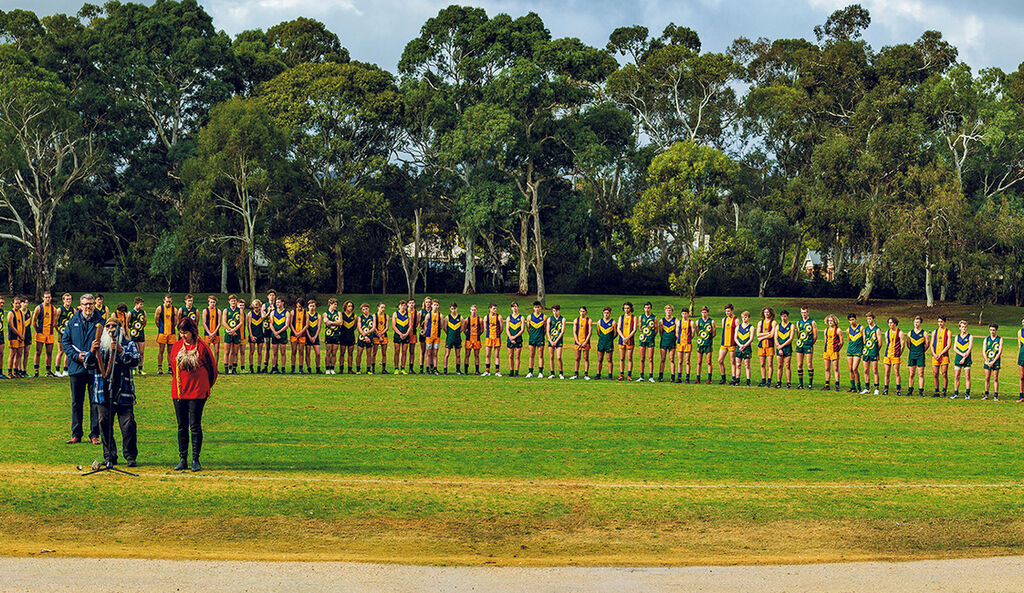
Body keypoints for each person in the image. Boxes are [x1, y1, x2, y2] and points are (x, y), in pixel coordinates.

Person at [89, 316, 140, 468]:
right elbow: (88, 364)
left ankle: (130, 456)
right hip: (103, 393)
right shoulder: (100, 345)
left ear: (120, 329)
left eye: (114, 326)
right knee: (104, 424)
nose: (110, 329)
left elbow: (135, 361)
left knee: (128, 425)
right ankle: (110, 456)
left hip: (123, 392)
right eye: (108, 326)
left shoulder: (128, 344)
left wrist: (121, 351)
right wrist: (92, 352)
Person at [169, 316, 217, 472]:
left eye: (186, 332)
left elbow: (213, 369)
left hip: (197, 393)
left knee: (194, 426)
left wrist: (205, 386)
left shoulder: (202, 347)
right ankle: (182, 458)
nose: (183, 335)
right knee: (182, 426)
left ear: (193, 331)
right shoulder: (176, 347)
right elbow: (172, 366)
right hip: (180, 392)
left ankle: (195, 459)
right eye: (181, 332)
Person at [60, 293, 103, 445]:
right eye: (85, 304)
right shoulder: (73, 321)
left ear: (94, 304)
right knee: (76, 402)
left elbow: (103, 344)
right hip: (76, 367)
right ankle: (76, 434)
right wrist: (76, 357)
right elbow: (65, 342)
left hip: (94, 369)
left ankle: (94, 434)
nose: (88, 307)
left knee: (95, 402)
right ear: (81, 305)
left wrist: (92, 356)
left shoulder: (100, 322)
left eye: (90, 304)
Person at [31, 290, 58, 377]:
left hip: (50, 334)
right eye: (46, 297)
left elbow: (55, 322)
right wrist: (37, 331)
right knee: (38, 352)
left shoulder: (53, 308)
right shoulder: (39, 308)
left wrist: (52, 328)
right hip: (41, 333)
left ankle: (48, 371)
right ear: (43, 298)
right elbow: (34, 321)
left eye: (49, 297)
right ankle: (36, 371)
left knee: (49, 352)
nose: (47, 299)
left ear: (51, 298)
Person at [794, 307, 817, 389]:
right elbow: (798, 334)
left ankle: (810, 384)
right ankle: (801, 384)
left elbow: (815, 336)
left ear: (808, 312)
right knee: (799, 364)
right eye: (802, 312)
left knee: (809, 364)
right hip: (800, 345)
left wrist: (810, 343)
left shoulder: (812, 322)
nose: (804, 314)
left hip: (808, 345)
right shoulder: (798, 322)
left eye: (805, 312)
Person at [155, 295, 178, 375]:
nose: (168, 303)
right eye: (167, 301)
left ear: (171, 301)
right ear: (164, 300)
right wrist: (161, 328)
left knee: (170, 351)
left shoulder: (174, 309)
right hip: (162, 332)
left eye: (169, 301)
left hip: (171, 333)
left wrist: (171, 328)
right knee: (161, 350)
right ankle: (160, 368)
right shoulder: (159, 309)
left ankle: (170, 368)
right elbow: (156, 321)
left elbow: (175, 322)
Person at [882, 317, 905, 396]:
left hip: (896, 355)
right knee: (886, 373)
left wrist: (899, 354)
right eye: (889, 323)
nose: (890, 324)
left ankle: (898, 390)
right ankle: (886, 389)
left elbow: (902, 345)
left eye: (891, 323)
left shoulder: (900, 333)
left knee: (896, 373)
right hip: (887, 355)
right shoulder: (887, 332)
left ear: (895, 323)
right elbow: (887, 343)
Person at [951, 320, 973, 399]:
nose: (964, 328)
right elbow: (954, 348)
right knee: (957, 376)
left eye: (965, 327)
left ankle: (967, 394)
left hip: (967, 358)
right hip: (958, 358)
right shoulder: (957, 337)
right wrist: (961, 355)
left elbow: (969, 348)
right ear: (960, 328)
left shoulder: (970, 337)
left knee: (967, 376)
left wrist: (964, 357)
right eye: (962, 327)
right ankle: (956, 393)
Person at [54, 293, 75, 377]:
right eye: (67, 299)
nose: (68, 301)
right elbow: (55, 323)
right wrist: (60, 331)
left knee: (68, 352)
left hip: (70, 334)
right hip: (62, 333)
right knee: (61, 351)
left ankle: (65, 370)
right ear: (63, 300)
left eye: (69, 299)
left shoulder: (73, 310)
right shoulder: (60, 310)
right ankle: (57, 370)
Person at [907, 315, 928, 397]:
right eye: (915, 322)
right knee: (911, 374)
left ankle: (921, 391)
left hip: (920, 355)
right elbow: (908, 344)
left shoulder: (924, 333)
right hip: (912, 354)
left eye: (918, 322)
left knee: (921, 374)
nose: (916, 323)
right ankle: (910, 390)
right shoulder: (910, 333)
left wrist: (921, 351)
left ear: (921, 323)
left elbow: (927, 344)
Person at [931, 315, 951, 397]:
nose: (940, 323)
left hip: (944, 356)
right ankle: (936, 391)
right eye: (939, 322)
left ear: (945, 322)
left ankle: (944, 391)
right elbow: (931, 344)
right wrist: (934, 354)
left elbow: (948, 345)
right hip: (935, 356)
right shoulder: (934, 332)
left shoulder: (948, 332)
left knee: (944, 373)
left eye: (942, 322)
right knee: (935, 374)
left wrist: (940, 354)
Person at [636, 302, 657, 382]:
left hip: (650, 339)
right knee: (642, 358)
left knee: (650, 359)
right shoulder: (641, 317)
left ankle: (651, 376)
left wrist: (651, 336)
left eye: (648, 308)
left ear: (650, 308)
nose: (647, 309)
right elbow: (640, 328)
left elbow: (656, 330)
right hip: (642, 340)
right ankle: (641, 376)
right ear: (644, 308)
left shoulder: (654, 318)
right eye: (645, 308)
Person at [126, 297, 147, 374]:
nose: (142, 306)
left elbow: (145, 322)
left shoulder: (143, 312)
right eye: (140, 304)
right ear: (136, 304)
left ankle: (140, 368)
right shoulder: (130, 313)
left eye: (142, 304)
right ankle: (133, 368)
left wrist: (140, 329)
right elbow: (127, 323)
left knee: (141, 352)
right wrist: (132, 330)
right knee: (134, 352)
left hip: (141, 334)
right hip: (133, 335)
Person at [694, 306, 715, 384]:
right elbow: (697, 332)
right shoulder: (698, 321)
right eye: (702, 312)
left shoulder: (711, 321)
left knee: (709, 361)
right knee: (699, 361)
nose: (704, 314)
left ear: (707, 312)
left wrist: (708, 339)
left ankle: (709, 379)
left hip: (708, 344)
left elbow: (714, 333)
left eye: (705, 312)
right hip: (700, 344)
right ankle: (698, 378)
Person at [822, 314, 843, 391]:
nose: (830, 322)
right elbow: (825, 340)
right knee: (827, 368)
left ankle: (837, 385)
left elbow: (841, 342)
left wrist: (837, 349)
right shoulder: (826, 330)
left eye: (831, 320)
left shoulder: (838, 330)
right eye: (829, 321)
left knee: (835, 368)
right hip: (827, 351)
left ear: (834, 321)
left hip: (834, 351)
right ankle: (827, 385)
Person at [594, 306, 616, 380]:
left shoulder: (613, 322)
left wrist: (610, 339)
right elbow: (598, 333)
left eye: (607, 313)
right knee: (600, 359)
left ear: (610, 313)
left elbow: (615, 334)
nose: (606, 314)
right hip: (601, 343)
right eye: (605, 313)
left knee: (609, 359)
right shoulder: (599, 322)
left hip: (609, 343)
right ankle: (598, 374)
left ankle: (610, 375)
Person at [616, 302, 637, 382]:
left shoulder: (634, 318)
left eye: (628, 308)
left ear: (630, 308)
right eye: (625, 308)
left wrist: (628, 337)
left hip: (630, 340)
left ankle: (629, 375)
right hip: (622, 340)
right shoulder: (621, 318)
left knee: (629, 358)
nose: (626, 310)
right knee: (622, 358)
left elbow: (634, 329)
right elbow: (618, 329)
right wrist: (623, 337)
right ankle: (621, 374)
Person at [719, 304, 738, 385]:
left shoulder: (736, 320)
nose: (727, 313)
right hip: (724, 343)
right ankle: (723, 378)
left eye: (729, 311)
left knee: (732, 361)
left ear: (732, 311)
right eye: (726, 311)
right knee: (720, 360)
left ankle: (734, 378)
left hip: (732, 344)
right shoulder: (724, 320)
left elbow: (738, 332)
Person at [222, 295, 242, 374]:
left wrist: (234, 330)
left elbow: (241, 322)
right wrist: (230, 330)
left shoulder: (239, 310)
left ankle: (234, 369)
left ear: (236, 301)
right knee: (227, 352)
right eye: (232, 301)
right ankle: (226, 369)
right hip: (228, 333)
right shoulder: (226, 310)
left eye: (234, 301)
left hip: (237, 332)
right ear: (229, 302)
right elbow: (224, 322)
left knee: (235, 352)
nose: (233, 302)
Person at [756, 307, 776, 388]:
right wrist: (767, 333)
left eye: (768, 312)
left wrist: (762, 336)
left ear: (771, 313)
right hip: (761, 346)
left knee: (770, 364)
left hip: (770, 345)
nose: (766, 314)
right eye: (765, 312)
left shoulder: (773, 322)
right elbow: (757, 334)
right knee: (762, 364)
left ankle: (769, 380)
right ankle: (763, 380)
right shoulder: (760, 322)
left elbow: (772, 335)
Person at [862, 312, 881, 394]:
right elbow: (864, 340)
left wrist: (876, 350)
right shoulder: (865, 329)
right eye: (867, 319)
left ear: (873, 319)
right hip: (866, 352)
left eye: (870, 319)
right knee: (866, 370)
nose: (869, 320)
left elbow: (880, 342)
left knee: (875, 370)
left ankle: (876, 388)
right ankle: (867, 388)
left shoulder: (877, 329)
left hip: (873, 352)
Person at [268, 297, 289, 374]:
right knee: (274, 352)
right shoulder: (273, 313)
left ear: (282, 303)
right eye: (276, 303)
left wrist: (278, 332)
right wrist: (275, 333)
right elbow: (271, 323)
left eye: (279, 302)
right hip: (274, 335)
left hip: (282, 335)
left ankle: (283, 368)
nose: (277, 304)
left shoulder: (287, 313)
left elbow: (286, 325)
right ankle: (274, 367)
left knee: (283, 352)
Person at [526, 301, 546, 378]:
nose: (537, 309)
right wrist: (532, 335)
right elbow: (528, 328)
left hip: (540, 338)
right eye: (535, 307)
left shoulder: (544, 317)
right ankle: (530, 372)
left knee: (540, 355)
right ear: (533, 308)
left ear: (540, 308)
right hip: (532, 338)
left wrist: (541, 335)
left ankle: (540, 372)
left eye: (538, 307)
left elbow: (545, 328)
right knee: (531, 355)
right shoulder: (529, 317)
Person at [845, 314, 864, 394]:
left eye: (853, 319)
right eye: (850, 320)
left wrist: (863, 349)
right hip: (850, 350)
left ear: (856, 319)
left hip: (858, 351)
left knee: (854, 368)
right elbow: (849, 341)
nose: (851, 321)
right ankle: (853, 387)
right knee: (850, 369)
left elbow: (864, 340)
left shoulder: (861, 328)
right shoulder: (847, 330)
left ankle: (859, 387)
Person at [657, 304, 677, 383]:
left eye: (670, 310)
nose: (668, 311)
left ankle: (672, 377)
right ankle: (660, 376)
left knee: (671, 359)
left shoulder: (676, 320)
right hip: (664, 341)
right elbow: (660, 332)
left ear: (672, 311)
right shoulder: (661, 321)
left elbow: (677, 333)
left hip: (672, 342)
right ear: (665, 311)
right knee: (662, 359)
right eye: (667, 310)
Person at [571, 306, 591, 380]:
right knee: (577, 358)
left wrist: (585, 342)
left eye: (583, 311)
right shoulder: (576, 320)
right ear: (579, 312)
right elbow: (574, 332)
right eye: (581, 311)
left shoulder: (589, 320)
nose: (582, 313)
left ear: (586, 312)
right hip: (578, 342)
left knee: (586, 358)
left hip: (586, 342)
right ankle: (576, 374)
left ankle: (586, 374)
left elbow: (590, 332)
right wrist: (577, 341)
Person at [734, 311, 754, 386]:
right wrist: (740, 345)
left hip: (747, 348)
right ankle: (737, 380)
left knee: (747, 365)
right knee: (738, 365)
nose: (744, 319)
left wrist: (744, 346)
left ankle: (748, 381)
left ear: (748, 318)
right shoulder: (738, 327)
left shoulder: (751, 327)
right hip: (739, 348)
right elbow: (735, 338)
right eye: (742, 317)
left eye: (745, 317)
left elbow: (751, 339)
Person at [982, 323, 1001, 401]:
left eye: (993, 330)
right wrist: (987, 361)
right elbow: (983, 351)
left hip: (995, 361)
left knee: (995, 378)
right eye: (991, 330)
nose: (992, 331)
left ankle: (995, 396)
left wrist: (993, 361)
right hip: (988, 361)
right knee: (987, 378)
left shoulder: (1000, 339)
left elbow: (999, 352)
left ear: (996, 330)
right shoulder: (986, 339)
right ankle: (986, 394)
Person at [482, 304, 502, 377]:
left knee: (496, 355)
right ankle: (487, 371)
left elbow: (501, 328)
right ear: (490, 309)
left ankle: (497, 371)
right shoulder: (486, 317)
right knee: (487, 355)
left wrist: (497, 334)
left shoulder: (499, 317)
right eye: (494, 308)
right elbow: (485, 328)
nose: (495, 310)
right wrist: (489, 334)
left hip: (496, 338)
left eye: (496, 308)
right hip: (489, 338)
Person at [423, 300, 443, 374]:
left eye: (437, 305)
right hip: (429, 336)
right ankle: (427, 368)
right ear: (431, 305)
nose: (436, 306)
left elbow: (441, 326)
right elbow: (425, 324)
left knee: (435, 353)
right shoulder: (428, 315)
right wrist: (426, 332)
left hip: (437, 336)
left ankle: (435, 368)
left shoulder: (440, 315)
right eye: (434, 305)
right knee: (428, 353)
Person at [774, 310, 793, 389]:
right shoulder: (778, 326)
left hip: (787, 348)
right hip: (779, 348)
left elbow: (791, 338)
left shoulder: (791, 326)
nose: (783, 318)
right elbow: (775, 337)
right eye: (782, 316)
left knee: (787, 365)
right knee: (779, 366)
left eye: (785, 316)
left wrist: (781, 346)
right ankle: (779, 382)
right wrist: (778, 346)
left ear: (787, 317)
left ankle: (788, 383)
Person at [391, 300, 411, 375]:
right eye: (402, 305)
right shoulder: (395, 314)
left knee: (404, 352)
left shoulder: (408, 314)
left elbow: (410, 326)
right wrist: (400, 334)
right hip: (397, 335)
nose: (403, 307)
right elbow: (393, 326)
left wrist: (406, 334)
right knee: (397, 351)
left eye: (404, 305)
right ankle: (396, 368)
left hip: (406, 335)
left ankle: (403, 368)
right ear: (399, 306)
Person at [443, 302, 464, 375]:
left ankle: (458, 370)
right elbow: (445, 328)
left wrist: (457, 334)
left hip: (457, 338)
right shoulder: (447, 317)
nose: (453, 310)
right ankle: (445, 369)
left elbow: (462, 328)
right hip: (449, 338)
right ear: (450, 309)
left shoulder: (460, 317)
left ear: (457, 308)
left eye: (455, 308)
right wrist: (450, 334)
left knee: (458, 355)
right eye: (452, 309)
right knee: (447, 354)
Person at [546, 304, 565, 379]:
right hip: (551, 340)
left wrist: (556, 341)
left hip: (558, 340)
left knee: (559, 357)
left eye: (556, 311)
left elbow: (562, 331)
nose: (554, 312)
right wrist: (551, 341)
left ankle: (561, 373)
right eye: (553, 311)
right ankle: (552, 373)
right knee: (551, 357)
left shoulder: (563, 319)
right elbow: (547, 331)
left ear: (559, 311)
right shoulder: (549, 319)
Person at [7, 296, 25, 378]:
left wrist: (23, 335)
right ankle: (9, 372)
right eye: (16, 303)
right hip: (14, 336)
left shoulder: (21, 313)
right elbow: (11, 326)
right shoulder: (11, 313)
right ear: (12, 304)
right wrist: (19, 334)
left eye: (19, 303)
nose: (17, 305)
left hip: (21, 337)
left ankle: (16, 371)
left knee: (19, 353)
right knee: (12, 354)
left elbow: (24, 325)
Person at [288, 298, 307, 374]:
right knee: (294, 351)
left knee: (301, 351)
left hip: (302, 335)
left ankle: (300, 368)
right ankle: (293, 368)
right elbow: (290, 323)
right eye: (298, 306)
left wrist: (300, 332)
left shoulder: (305, 313)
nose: (299, 308)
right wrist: (295, 332)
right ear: (296, 305)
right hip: (294, 334)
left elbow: (307, 324)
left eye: (301, 307)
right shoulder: (292, 312)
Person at [675, 307, 693, 384]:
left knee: (687, 361)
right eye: (683, 314)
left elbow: (693, 334)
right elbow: (676, 332)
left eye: (685, 314)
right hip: (680, 343)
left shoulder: (691, 322)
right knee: (680, 361)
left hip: (687, 344)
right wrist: (679, 339)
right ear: (681, 314)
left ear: (688, 314)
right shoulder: (679, 322)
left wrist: (688, 339)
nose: (684, 315)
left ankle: (687, 377)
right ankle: (679, 377)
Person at [464, 304, 483, 375]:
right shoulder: (467, 319)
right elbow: (464, 329)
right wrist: (468, 335)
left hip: (477, 339)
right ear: (470, 311)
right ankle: (466, 371)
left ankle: (477, 371)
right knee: (467, 354)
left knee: (477, 355)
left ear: (477, 310)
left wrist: (477, 335)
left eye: (474, 310)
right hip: (469, 339)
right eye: (472, 310)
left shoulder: (480, 320)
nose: (473, 311)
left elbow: (482, 330)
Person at [506, 302, 524, 377]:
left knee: (517, 356)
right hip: (510, 339)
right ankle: (511, 371)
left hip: (518, 339)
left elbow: (522, 330)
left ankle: (516, 372)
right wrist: (510, 337)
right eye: (513, 307)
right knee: (510, 356)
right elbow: (507, 329)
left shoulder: (521, 317)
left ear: (518, 307)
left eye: (516, 306)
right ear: (511, 308)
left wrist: (514, 337)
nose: (515, 308)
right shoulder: (509, 318)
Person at [356, 303, 375, 373]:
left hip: (369, 337)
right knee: (359, 353)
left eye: (366, 309)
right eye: (363, 309)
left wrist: (367, 334)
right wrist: (364, 335)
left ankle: (368, 369)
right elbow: (359, 328)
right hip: (361, 337)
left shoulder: (372, 317)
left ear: (368, 309)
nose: (365, 310)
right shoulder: (360, 318)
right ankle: (358, 369)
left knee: (369, 354)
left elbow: (373, 327)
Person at [323, 298, 341, 374]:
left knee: (334, 353)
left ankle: (332, 369)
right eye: (334, 304)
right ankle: (327, 369)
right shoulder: (325, 313)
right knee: (328, 352)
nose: (336, 306)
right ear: (330, 304)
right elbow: (326, 322)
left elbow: (340, 323)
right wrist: (335, 322)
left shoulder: (339, 313)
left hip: (336, 335)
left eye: (336, 304)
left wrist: (331, 322)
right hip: (328, 335)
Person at [201, 295, 221, 364]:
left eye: (214, 302)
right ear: (208, 302)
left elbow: (219, 323)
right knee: (207, 351)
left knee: (216, 351)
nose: (212, 303)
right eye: (211, 302)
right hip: (208, 333)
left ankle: (215, 366)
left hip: (216, 333)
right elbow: (204, 323)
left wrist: (214, 332)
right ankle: (208, 366)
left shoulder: (218, 311)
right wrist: (209, 333)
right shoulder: (205, 311)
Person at [339, 300, 357, 374]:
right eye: (349, 306)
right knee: (342, 353)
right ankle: (341, 369)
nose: (350, 307)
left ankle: (350, 369)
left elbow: (355, 326)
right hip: (343, 336)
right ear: (345, 306)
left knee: (350, 353)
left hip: (351, 336)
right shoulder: (342, 315)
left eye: (351, 306)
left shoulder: (355, 316)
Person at [247, 299, 264, 373]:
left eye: (257, 307)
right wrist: (251, 335)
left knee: (260, 352)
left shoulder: (262, 313)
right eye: (255, 307)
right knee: (252, 351)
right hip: (253, 335)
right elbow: (249, 325)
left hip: (260, 334)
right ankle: (251, 368)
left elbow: (264, 317)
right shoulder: (250, 314)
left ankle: (259, 368)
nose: (256, 309)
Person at [261, 290, 276, 371]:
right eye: (270, 295)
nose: (272, 297)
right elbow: (263, 317)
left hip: (275, 329)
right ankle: (265, 366)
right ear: (267, 296)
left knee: (275, 348)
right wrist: (269, 312)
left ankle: (274, 366)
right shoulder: (264, 305)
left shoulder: (277, 305)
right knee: (267, 348)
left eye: (273, 295)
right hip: (266, 329)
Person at [305, 299, 322, 374]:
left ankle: (318, 368)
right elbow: (305, 327)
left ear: (315, 307)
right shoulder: (306, 315)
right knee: (308, 353)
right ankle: (309, 368)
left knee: (318, 354)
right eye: (310, 306)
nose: (312, 307)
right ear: (308, 306)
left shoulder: (318, 315)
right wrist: (309, 337)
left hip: (315, 337)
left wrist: (315, 337)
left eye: (313, 306)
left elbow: (319, 327)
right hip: (308, 336)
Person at [417, 297, 432, 374]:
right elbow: (418, 323)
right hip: (423, 334)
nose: (428, 303)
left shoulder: (433, 312)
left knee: (430, 352)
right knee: (422, 351)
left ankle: (430, 367)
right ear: (424, 303)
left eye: (429, 302)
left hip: (431, 334)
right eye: (426, 302)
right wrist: (422, 330)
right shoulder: (421, 312)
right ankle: (421, 367)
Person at [374, 302, 390, 374]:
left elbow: (387, 327)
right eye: (381, 307)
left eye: (384, 307)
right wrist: (378, 335)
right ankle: (372, 369)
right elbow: (374, 327)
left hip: (384, 335)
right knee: (374, 353)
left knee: (384, 353)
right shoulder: (374, 316)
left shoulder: (386, 316)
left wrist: (381, 334)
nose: (383, 309)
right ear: (378, 307)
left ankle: (383, 369)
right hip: (376, 336)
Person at [406, 298, 419, 374]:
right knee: (404, 351)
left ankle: (411, 368)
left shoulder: (416, 313)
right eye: (410, 303)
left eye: (413, 303)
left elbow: (417, 323)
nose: (411, 304)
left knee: (412, 351)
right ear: (408, 304)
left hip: (413, 333)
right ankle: (402, 367)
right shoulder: (405, 312)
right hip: (405, 333)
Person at [236, 298, 248, 372]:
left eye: (243, 305)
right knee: (235, 352)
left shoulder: (244, 314)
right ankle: (234, 367)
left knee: (243, 352)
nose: (241, 307)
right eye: (240, 305)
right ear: (237, 305)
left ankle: (242, 368)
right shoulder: (236, 314)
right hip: (236, 335)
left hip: (243, 335)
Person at [0, 295, 6, 379]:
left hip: (1, 334)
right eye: (0, 302)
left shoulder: (2, 311)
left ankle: (0, 372)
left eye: (3, 303)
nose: (1, 304)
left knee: (1, 354)